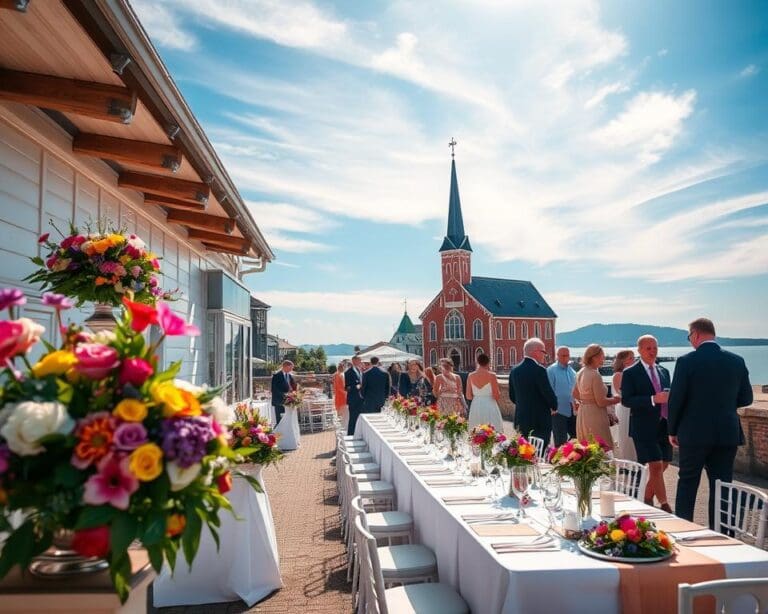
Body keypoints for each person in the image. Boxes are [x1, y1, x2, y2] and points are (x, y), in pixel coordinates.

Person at [668, 318, 753, 527]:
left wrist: (672, 429)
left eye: (689, 337)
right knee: (723, 486)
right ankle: (723, 534)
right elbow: (747, 398)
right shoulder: (737, 360)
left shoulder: (686, 361)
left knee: (688, 482)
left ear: (696, 334)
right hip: (726, 433)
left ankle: (684, 530)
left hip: (693, 433)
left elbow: (676, 399)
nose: (690, 341)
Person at [621, 335, 672, 511]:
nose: (652, 351)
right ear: (640, 350)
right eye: (648, 348)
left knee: (664, 464)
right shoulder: (630, 373)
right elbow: (626, 400)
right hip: (643, 427)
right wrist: (652, 399)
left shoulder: (664, 371)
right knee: (655, 465)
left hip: (664, 425)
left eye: (655, 348)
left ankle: (646, 496)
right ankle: (665, 505)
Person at [509, 338, 557, 443]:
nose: (545, 355)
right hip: (539, 422)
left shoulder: (514, 370)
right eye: (543, 351)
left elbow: (512, 396)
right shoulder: (540, 370)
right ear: (535, 352)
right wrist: (554, 406)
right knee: (539, 454)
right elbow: (548, 394)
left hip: (521, 420)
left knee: (523, 454)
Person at [574, 344, 621, 450]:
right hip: (595, 414)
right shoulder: (595, 375)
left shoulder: (581, 372)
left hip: (583, 412)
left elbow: (574, 393)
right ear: (594, 357)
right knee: (601, 446)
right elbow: (601, 401)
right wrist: (616, 399)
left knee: (587, 447)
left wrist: (585, 401)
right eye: (602, 356)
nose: (604, 358)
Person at [547, 346, 577, 446]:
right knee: (560, 441)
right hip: (558, 411)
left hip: (572, 411)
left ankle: (571, 460)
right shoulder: (551, 370)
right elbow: (549, 390)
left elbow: (575, 390)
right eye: (563, 355)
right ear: (557, 356)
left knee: (576, 439)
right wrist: (551, 408)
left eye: (567, 355)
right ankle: (558, 461)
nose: (566, 358)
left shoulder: (572, 371)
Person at [466, 353, 503, 429]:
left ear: (478, 362)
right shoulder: (492, 375)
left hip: (476, 404)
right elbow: (496, 395)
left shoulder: (471, 375)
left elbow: (468, 396)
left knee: (476, 429)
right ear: (488, 363)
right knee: (491, 429)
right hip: (489, 404)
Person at [611, 350, 637, 461]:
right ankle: (627, 461)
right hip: (624, 408)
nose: (634, 360)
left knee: (631, 436)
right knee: (626, 435)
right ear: (623, 361)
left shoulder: (630, 374)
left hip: (630, 408)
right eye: (630, 358)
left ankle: (633, 460)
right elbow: (622, 393)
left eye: (633, 357)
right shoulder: (619, 375)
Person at [345, 355, 364, 436]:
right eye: (359, 360)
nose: (361, 361)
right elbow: (346, 388)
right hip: (353, 399)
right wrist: (357, 387)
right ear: (354, 361)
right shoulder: (348, 372)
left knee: (359, 418)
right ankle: (350, 435)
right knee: (352, 418)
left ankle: (358, 434)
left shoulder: (359, 370)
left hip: (360, 399)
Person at [333, 360, 349, 432]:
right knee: (345, 415)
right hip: (343, 397)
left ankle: (344, 428)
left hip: (338, 396)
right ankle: (345, 429)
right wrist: (347, 394)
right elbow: (342, 387)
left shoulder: (336, 375)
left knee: (342, 415)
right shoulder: (342, 375)